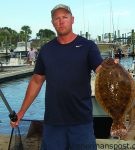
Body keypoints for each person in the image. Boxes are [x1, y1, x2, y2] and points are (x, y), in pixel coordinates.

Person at [10, 4, 103, 150]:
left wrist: (114, 70)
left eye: (65, 17)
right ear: (52, 23)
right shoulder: (46, 50)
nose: (61, 21)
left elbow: (102, 72)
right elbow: (36, 81)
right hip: (53, 124)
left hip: (81, 123)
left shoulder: (88, 46)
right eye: (57, 19)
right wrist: (21, 112)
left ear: (72, 20)